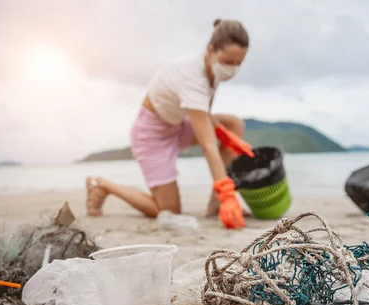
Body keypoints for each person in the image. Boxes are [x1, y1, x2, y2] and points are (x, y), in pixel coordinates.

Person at [85, 19, 249, 229]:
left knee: (234, 125)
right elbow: (208, 145)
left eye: (239, 63)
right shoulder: (191, 77)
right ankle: (104, 185)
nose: (232, 69)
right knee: (168, 209)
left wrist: (225, 135)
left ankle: (215, 206)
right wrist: (228, 193)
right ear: (211, 50)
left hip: (178, 126)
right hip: (151, 135)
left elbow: (205, 115)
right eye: (228, 62)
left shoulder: (214, 70)